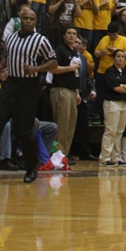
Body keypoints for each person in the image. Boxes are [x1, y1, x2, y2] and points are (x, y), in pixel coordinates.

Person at [0, 9, 57, 183]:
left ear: (35, 22)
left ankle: (32, 166)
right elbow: (6, 55)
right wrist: (1, 65)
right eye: (25, 18)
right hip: (10, 83)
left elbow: (53, 62)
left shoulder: (40, 40)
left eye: (31, 19)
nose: (28, 21)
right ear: (20, 20)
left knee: (23, 130)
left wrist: (36, 69)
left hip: (29, 86)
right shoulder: (10, 37)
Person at [100, 49, 126, 166]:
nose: (120, 59)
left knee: (120, 131)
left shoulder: (125, 73)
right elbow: (116, 88)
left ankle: (116, 157)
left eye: (122, 57)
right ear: (114, 58)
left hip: (124, 103)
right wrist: (125, 87)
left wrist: (123, 86)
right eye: (118, 56)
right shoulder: (110, 71)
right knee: (111, 130)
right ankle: (105, 157)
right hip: (112, 102)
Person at [50, 25, 81, 161]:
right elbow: (53, 69)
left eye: (74, 33)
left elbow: (75, 74)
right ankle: (57, 154)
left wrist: (77, 92)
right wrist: (70, 68)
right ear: (64, 35)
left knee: (71, 124)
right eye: (69, 33)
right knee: (61, 124)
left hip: (71, 91)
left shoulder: (74, 52)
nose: (71, 36)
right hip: (60, 90)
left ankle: (65, 154)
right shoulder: (59, 51)